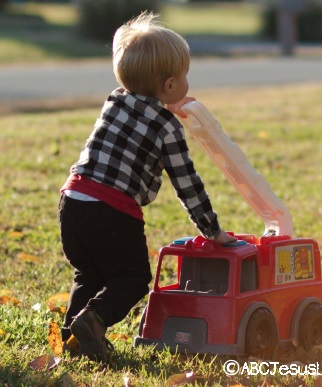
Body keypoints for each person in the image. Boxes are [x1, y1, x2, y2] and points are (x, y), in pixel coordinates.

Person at [57, 11, 236, 363]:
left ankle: (71, 339)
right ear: (169, 86)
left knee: (89, 273)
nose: (187, 82)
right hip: (110, 211)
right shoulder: (167, 127)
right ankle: (93, 320)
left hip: (72, 200)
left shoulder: (114, 101)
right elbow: (187, 184)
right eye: (184, 76)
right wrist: (213, 231)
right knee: (134, 278)